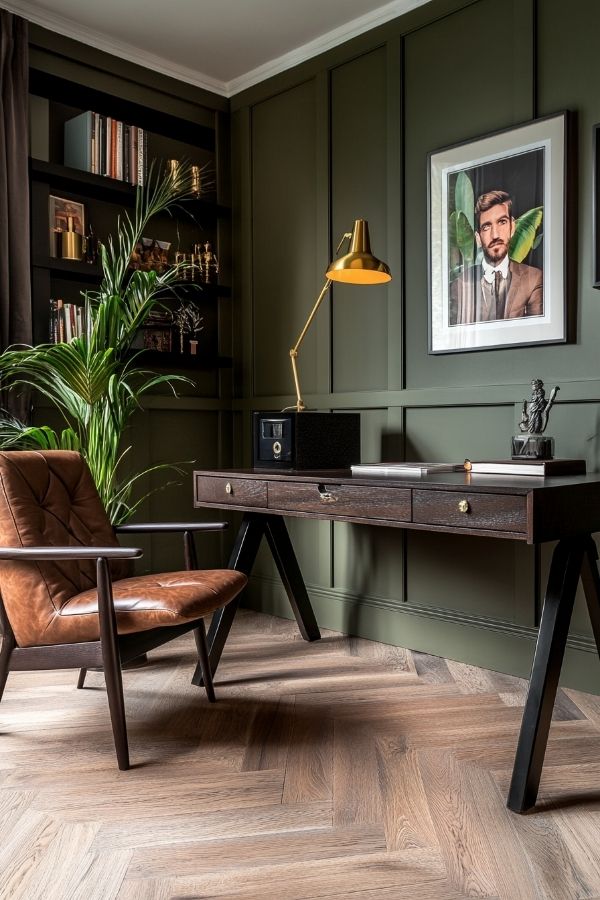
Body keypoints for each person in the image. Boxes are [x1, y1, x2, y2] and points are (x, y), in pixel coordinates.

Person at [450, 190, 543, 325]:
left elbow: (537, 332)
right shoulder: (460, 285)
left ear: (512, 227)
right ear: (478, 238)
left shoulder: (533, 279)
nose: (495, 235)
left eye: (502, 222)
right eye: (487, 227)